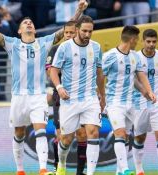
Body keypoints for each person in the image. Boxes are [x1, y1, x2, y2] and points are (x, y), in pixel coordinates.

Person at [0, 0, 88, 174]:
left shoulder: (44, 42)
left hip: (38, 95)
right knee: (19, 133)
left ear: (34, 30)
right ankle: (20, 169)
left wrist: (79, 10)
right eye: (25, 23)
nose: (28, 23)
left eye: (31, 22)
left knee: (41, 130)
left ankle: (43, 169)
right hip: (18, 96)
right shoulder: (12, 44)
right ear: (19, 30)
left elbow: (66, 30)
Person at [50, 15, 105, 175]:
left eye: (90, 31)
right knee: (66, 140)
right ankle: (62, 163)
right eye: (84, 31)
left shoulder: (96, 47)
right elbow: (54, 69)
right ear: (77, 30)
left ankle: (90, 173)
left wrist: (102, 95)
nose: (88, 34)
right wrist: (59, 87)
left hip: (90, 98)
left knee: (93, 132)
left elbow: (99, 73)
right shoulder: (65, 47)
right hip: (69, 100)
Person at [102, 26, 156, 175]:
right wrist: (101, 96)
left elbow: (139, 77)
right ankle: (126, 169)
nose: (138, 42)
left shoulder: (135, 56)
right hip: (114, 102)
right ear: (132, 39)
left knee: (125, 137)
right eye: (137, 39)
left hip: (130, 103)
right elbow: (99, 77)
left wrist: (147, 92)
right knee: (119, 134)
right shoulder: (109, 56)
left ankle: (119, 171)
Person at [46, 20, 88, 175]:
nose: (68, 35)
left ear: (77, 32)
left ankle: (80, 172)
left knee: (82, 134)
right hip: (61, 96)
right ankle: (59, 169)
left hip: (82, 96)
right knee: (62, 135)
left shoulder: (85, 49)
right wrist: (56, 86)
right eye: (66, 33)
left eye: (71, 32)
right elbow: (49, 72)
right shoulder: (56, 49)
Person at [132, 29, 158, 175]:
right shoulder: (135, 57)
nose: (151, 44)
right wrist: (143, 92)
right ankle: (139, 170)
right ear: (143, 41)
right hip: (139, 103)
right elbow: (132, 80)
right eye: (148, 41)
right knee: (139, 137)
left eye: (154, 41)